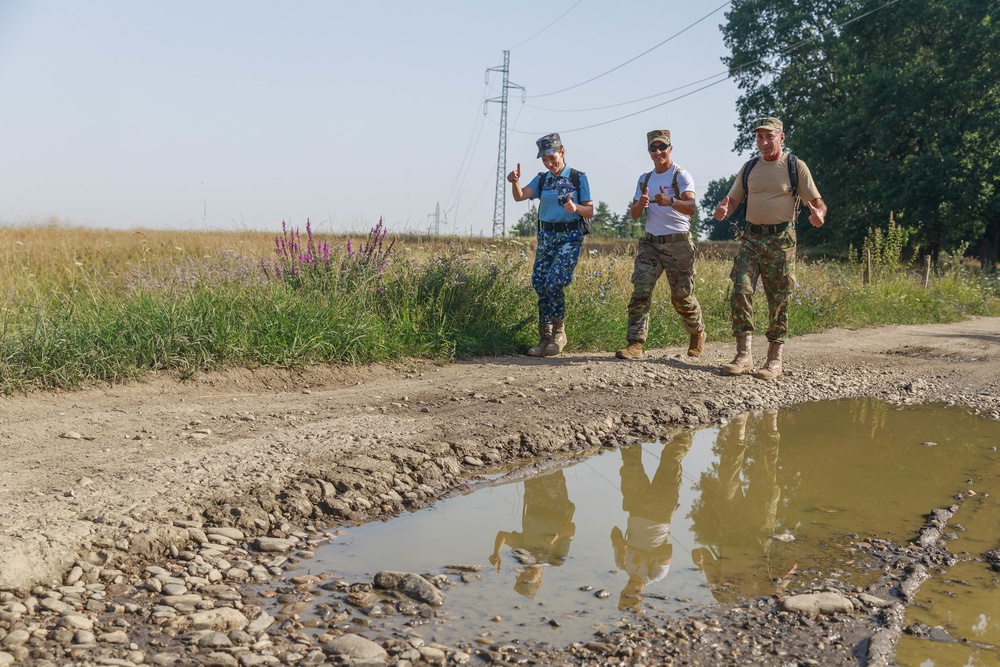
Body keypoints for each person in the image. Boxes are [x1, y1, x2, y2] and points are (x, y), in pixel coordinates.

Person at [712, 117, 827, 380]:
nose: (763, 142)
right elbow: (731, 200)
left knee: (779, 300)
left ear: (781, 137)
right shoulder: (750, 167)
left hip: (781, 241)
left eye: (769, 137)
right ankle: (744, 355)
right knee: (740, 288)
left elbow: (818, 203)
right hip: (751, 240)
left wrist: (819, 215)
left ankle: (774, 359)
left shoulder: (795, 166)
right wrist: (723, 210)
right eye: (759, 137)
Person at [616, 130, 705, 360]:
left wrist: (672, 201)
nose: (658, 152)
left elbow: (691, 207)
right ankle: (635, 343)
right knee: (641, 291)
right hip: (651, 244)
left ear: (670, 149)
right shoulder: (645, 179)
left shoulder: (681, 175)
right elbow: (634, 214)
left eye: (662, 147)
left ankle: (697, 332)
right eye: (653, 149)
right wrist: (642, 203)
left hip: (679, 244)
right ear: (649, 152)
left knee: (682, 297)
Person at [508, 133, 594, 357]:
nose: (549, 163)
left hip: (569, 237)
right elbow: (520, 196)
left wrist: (575, 208)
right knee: (539, 282)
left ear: (562, 152)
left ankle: (559, 334)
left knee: (555, 282)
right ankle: (544, 339)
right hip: (547, 237)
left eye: (551, 157)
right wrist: (515, 181)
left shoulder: (578, 178)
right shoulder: (542, 180)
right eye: (544, 159)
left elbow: (590, 210)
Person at [610, 433, 693, 610]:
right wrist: (646, 557)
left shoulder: (622, 564)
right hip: (661, 512)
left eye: (626, 593)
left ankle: (631, 426)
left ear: (622, 590)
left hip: (635, 506)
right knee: (670, 460)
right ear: (641, 596)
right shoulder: (656, 575)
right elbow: (667, 552)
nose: (631, 590)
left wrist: (620, 544)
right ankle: (686, 429)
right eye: (634, 595)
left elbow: (615, 531)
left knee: (630, 463)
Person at [489, 470, 577, 598]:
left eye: (523, 574)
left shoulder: (523, 554)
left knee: (530, 467)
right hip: (556, 500)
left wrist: (496, 553)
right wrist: (557, 536)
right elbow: (571, 529)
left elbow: (502, 535)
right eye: (529, 576)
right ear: (539, 581)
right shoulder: (555, 560)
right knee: (552, 466)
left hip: (533, 499)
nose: (527, 571)